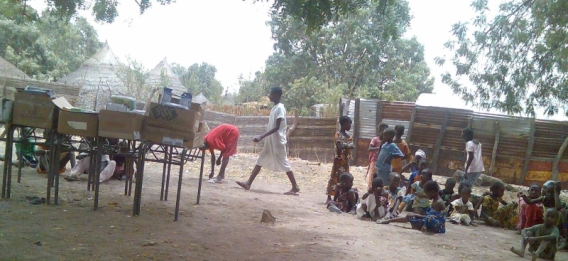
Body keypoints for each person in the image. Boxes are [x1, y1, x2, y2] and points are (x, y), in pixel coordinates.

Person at [236, 87, 300, 195]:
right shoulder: (275, 108)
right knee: (261, 159)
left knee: (284, 162)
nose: (270, 96)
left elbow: (277, 127)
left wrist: (262, 136)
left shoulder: (280, 108)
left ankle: (295, 186)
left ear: (277, 95)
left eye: (272, 94)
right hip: (272, 141)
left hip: (278, 141)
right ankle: (248, 183)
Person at [377, 181, 447, 234]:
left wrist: (415, 215)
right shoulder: (435, 200)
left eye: (426, 193)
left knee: (418, 217)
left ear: (432, 193)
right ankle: (389, 221)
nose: (426, 195)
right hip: (432, 222)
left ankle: (388, 221)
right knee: (411, 216)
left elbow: (430, 217)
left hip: (438, 227)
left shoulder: (438, 203)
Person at [326, 116, 354, 202]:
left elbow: (351, 146)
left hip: (345, 162)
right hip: (338, 161)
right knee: (335, 177)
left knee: (345, 179)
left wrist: (346, 145)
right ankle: (329, 196)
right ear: (344, 124)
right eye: (349, 124)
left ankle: (341, 197)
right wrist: (347, 145)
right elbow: (340, 147)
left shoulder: (348, 136)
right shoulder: (338, 134)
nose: (350, 126)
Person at [460, 127, 484, 192]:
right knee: (468, 185)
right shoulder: (478, 143)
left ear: (466, 136)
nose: (462, 136)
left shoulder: (469, 143)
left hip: (472, 168)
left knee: (465, 185)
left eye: (463, 135)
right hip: (478, 168)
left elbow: (471, 157)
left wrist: (466, 169)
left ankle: (464, 199)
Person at [367, 123, 388, 189]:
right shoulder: (375, 139)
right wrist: (379, 148)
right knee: (373, 176)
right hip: (375, 160)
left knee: (380, 176)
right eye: (384, 132)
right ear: (380, 131)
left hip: (383, 161)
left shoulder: (387, 141)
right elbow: (370, 148)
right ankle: (370, 189)